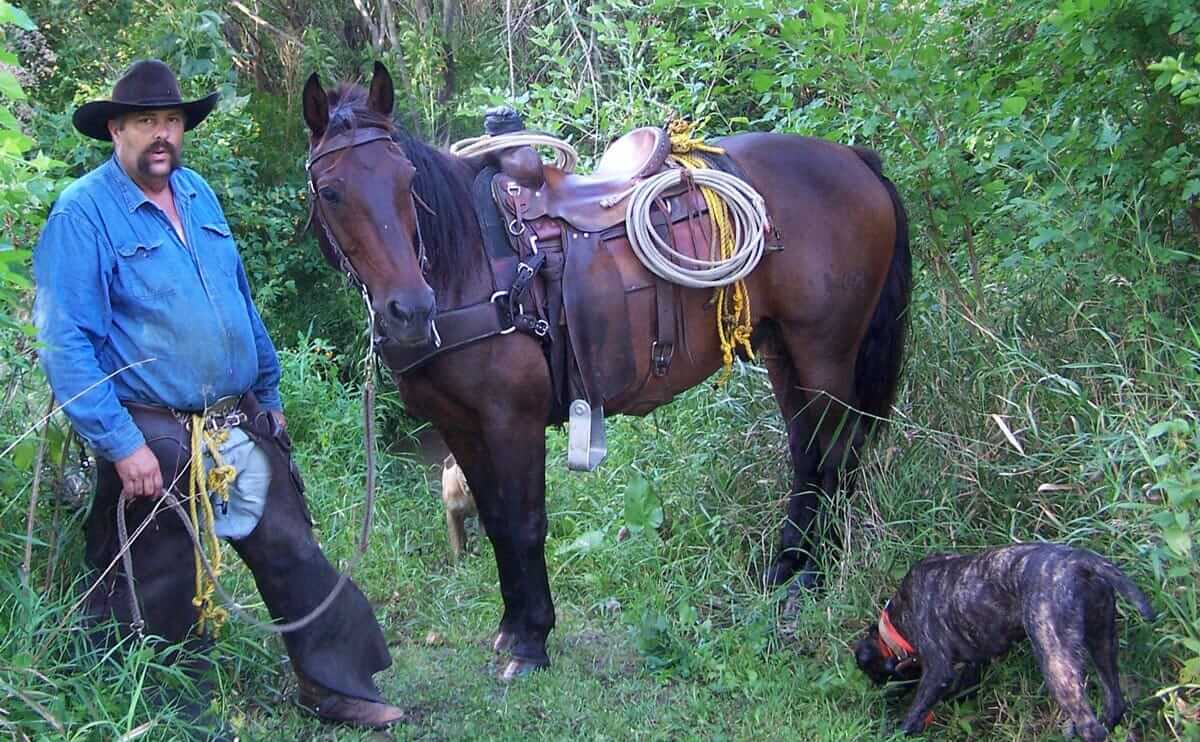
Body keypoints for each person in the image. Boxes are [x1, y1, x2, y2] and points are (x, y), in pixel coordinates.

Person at [32, 59, 403, 729]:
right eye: (146, 122)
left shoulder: (197, 192)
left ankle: (333, 685)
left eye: (171, 120)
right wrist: (120, 443)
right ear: (115, 129)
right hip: (154, 432)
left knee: (290, 547)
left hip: (233, 419)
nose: (162, 135)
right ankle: (170, 709)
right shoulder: (82, 213)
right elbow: (66, 343)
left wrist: (269, 387)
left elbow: (235, 299)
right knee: (160, 579)